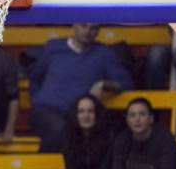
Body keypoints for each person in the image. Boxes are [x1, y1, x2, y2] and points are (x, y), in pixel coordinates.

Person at [28, 23, 131, 152]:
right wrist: (36, 99)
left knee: (73, 131)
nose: (87, 31)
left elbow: (126, 83)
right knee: (62, 130)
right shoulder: (53, 47)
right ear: (74, 25)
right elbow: (35, 77)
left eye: (93, 28)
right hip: (45, 111)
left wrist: (105, 84)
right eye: (83, 26)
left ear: (98, 31)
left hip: (78, 115)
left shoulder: (104, 53)